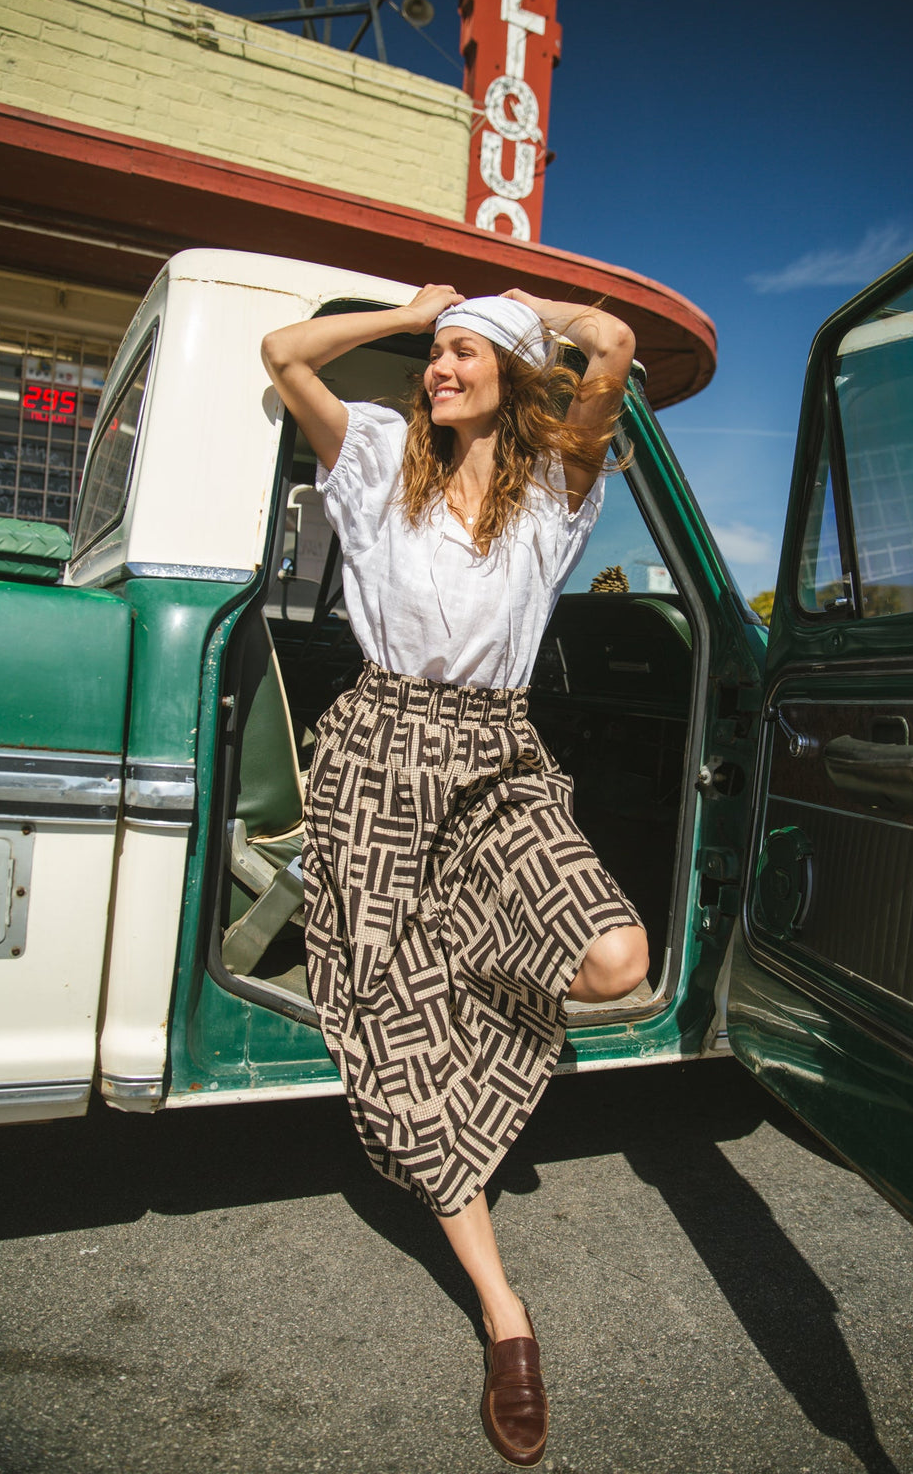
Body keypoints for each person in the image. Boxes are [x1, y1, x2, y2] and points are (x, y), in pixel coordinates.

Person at [262, 284, 648, 1467]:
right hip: (378, 762)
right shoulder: (379, 456)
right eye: (432, 353)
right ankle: (504, 1316)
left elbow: (613, 342)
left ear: (513, 375)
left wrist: (531, 310)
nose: (438, 366)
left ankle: (447, 985)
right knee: (404, 1050)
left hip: (496, 763)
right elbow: (284, 354)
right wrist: (407, 307)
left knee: (615, 958)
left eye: (463, 352)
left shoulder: (560, 487)